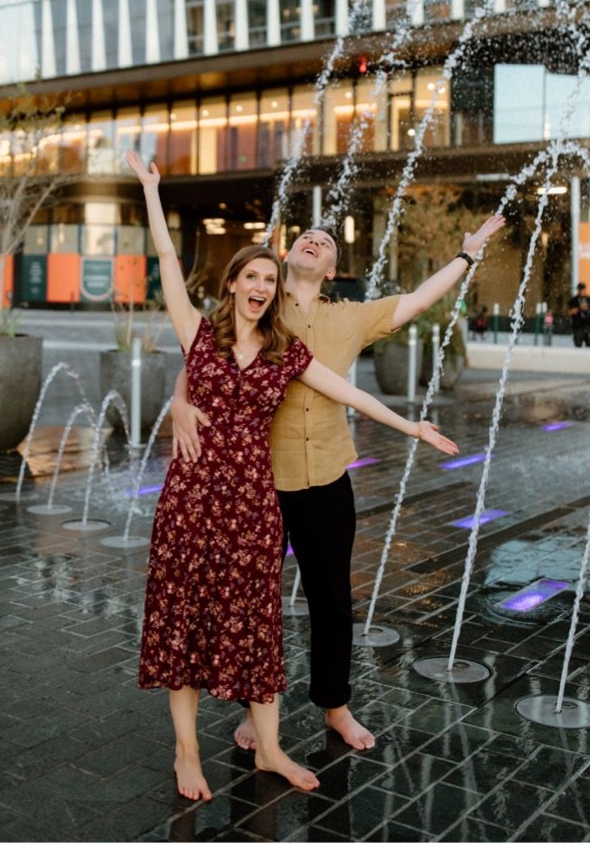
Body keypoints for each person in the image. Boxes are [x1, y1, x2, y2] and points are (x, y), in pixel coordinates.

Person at [124, 152, 457, 802]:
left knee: (255, 620)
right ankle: (186, 751)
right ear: (232, 284)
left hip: (254, 502)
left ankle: (269, 746)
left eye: (268, 282)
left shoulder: (284, 353)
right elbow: (166, 260)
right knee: (186, 617)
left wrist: (410, 426)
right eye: (251, 276)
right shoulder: (198, 336)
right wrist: (150, 190)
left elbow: (347, 394)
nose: (260, 287)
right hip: (193, 499)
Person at [172, 212, 504, 753]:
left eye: (325, 242)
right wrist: (178, 401)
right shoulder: (258, 301)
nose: (314, 240)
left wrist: (466, 255)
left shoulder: (352, 317)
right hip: (257, 482)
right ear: (286, 258)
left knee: (331, 599)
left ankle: (335, 705)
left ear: (332, 270)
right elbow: (202, 350)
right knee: (252, 602)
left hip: (326, 475)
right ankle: (256, 712)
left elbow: (418, 299)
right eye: (306, 236)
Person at [569, 283, 590, 348]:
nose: (582, 292)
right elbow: (570, 312)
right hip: (578, 326)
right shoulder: (574, 300)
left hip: (589, 325)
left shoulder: (589, 299)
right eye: (581, 290)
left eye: (584, 290)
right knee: (578, 344)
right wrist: (579, 308)